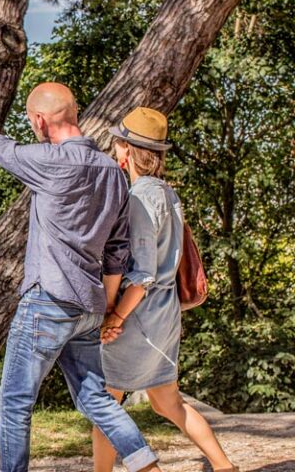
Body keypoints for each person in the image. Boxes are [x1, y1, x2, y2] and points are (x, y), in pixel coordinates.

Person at [0, 83, 162, 472]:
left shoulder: (48, 161)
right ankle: (147, 466)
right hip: (88, 306)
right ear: (74, 114)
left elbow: (0, 148)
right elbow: (116, 251)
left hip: (48, 301)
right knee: (97, 399)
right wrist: (107, 306)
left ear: (40, 121)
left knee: (16, 401)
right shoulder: (112, 172)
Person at [92, 107, 237, 472]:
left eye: (118, 144)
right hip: (165, 313)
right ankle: (223, 467)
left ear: (126, 150)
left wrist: (115, 317)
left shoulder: (140, 196)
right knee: (167, 402)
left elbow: (141, 274)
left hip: (138, 315)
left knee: (105, 405)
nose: (115, 150)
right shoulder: (167, 192)